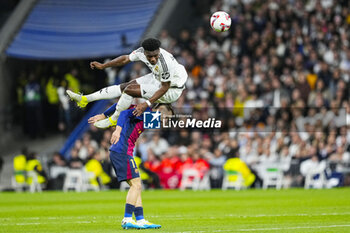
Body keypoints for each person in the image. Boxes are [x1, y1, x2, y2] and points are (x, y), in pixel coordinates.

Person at [67, 38, 187, 129]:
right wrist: (104, 66)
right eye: (150, 56)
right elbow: (125, 58)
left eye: (156, 56)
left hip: (171, 89)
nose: (153, 59)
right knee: (125, 87)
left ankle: (113, 120)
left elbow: (165, 87)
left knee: (129, 90)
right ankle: (85, 99)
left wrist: (146, 103)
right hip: (158, 78)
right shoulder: (141, 52)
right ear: (144, 53)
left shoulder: (165, 64)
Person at [88, 102, 173, 229]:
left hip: (124, 151)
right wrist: (116, 128)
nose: (165, 119)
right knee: (137, 185)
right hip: (122, 150)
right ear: (158, 109)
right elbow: (123, 112)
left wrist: (105, 115)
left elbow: (122, 104)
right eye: (165, 116)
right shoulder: (147, 111)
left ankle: (140, 219)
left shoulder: (148, 115)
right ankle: (127, 219)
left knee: (136, 186)